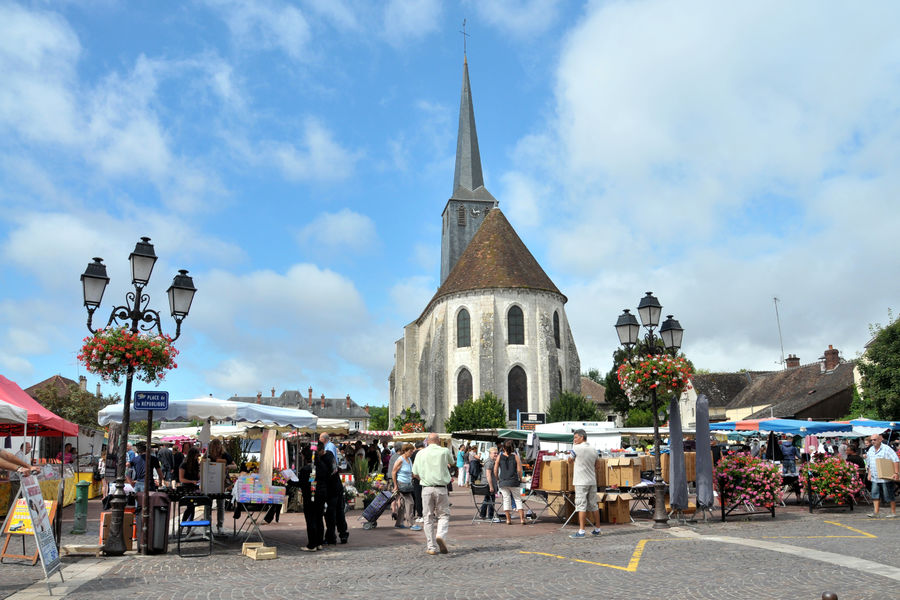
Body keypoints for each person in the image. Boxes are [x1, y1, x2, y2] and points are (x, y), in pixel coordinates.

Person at [412, 432, 454, 555]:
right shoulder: (444, 451)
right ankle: (440, 535)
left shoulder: (420, 453)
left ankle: (431, 547)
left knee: (428, 517)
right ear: (438, 440)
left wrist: (424, 479)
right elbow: (451, 462)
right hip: (441, 487)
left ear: (427, 441)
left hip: (426, 488)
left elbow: (414, 472)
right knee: (443, 515)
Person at [567, 429, 602, 538]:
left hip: (581, 481)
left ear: (582, 437)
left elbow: (569, 460)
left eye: (576, 437)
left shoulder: (576, 448)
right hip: (592, 480)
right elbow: (597, 465)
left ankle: (581, 531)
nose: (574, 440)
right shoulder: (594, 449)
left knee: (581, 505)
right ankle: (597, 528)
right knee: (594, 504)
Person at [297, 446, 325, 551]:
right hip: (321, 495)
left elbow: (303, 484)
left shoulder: (306, 469)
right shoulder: (321, 466)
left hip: (310, 496)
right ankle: (319, 542)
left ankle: (312, 544)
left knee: (311, 520)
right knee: (319, 519)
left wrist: (289, 481)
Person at [865, 433, 899, 518]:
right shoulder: (871, 450)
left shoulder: (886, 449)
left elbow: (896, 460)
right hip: (875, 477)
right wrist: (869, 473)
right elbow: (869, 463)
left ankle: (893, 512)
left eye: (875, 440)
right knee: (875, 494)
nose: (873, 441)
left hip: (885, 476)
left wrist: (896, 473)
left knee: (889, 495)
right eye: (871, 440)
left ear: (880, 439)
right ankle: (876, 512)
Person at [322, 444, 349, 545]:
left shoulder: (324, 459)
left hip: (331, 490)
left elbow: (327, 474)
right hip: (338, 487)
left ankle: (331, 537)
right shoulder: (330, 455)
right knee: (339, 512)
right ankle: (343, 534)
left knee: (331, 514)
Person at [493, 440, 525, 526]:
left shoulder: (499, 456)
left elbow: (495, 469)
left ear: (503, 448)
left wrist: (497, 479)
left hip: (503, 481)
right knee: (518, 499)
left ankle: (508, 520)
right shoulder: (515, 456)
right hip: (514, 480)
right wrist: (521, 479)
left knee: (506, 500)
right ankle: (522, 519)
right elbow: (519, 470)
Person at [207, 439, 234, 534]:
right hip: (210, 481)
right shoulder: (208, 455)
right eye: (215, 448)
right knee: (208, 504)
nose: (216, 449)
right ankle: (207, 525)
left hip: (222, 481)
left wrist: (227, 467)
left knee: (221, 504)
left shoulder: (225, 455)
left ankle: (220, 525)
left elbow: (234, 466)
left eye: (218, 447)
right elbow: (202, 465)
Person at [391, 443, 416, 529]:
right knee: (410, 502)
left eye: (412, 451)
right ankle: (411, 523)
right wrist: (395, 486)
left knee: (402, 504)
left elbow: (411, 472)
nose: (412, 452)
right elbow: (394, 472)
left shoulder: (409, 459)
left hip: (407, 484)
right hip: (402, 484)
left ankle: (398, 523)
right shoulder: (400, 460)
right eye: (410, 451)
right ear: (405, 451)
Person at [480, 446, 499, 522]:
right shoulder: (490, 462)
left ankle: (482, 514)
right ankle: (490, 516)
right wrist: (491, 486)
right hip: (488, 484)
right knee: (491, 499)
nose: (496, 455)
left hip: (486, 483)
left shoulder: (490, 461)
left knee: (487, 499)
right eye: (494, 453)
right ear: (490, 453)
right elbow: (488, 475)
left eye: (497, 453)